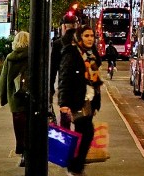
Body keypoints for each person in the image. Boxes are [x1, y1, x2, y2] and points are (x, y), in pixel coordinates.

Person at [58, 25, 101, 175]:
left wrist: (95, 104)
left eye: (92, 36)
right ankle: (75, 167)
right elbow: (64, 79)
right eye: (86, 36)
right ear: (79, 37)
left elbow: (95, 81)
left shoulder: (91, 55)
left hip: (88, 101)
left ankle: (75, 165)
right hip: (76, 100)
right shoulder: (71, 54)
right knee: (85, 133)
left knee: (84, 134)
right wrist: (63, 103)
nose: (90, 39)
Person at [0, 30, 30, 168]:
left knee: (19, 127)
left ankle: (22, 151)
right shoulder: (32, 56)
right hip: (30, 97)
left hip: (15, 98)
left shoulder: (10, 58)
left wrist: (4, 99)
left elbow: (3, 80)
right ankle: (29, 153)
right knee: (30, 126)